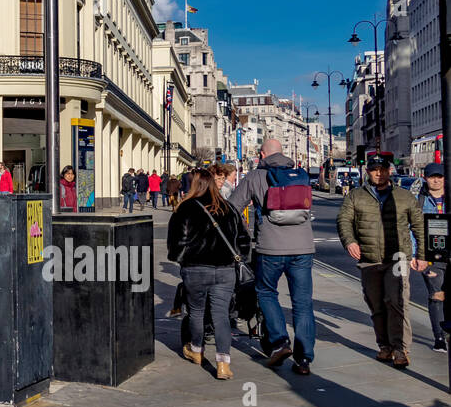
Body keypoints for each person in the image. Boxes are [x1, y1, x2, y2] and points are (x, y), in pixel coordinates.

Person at [224, 138, 316, 375]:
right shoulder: (300, 174)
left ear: (262, 155)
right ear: (283, 153)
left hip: (270, 248)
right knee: (303, 303)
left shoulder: (255, 177)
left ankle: (279, 341)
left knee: (266, 292)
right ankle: (304, 359)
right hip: (303, 248)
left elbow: (232, 208)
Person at [338, 153, 427, 368]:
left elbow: (419, 227)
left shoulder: (404, 197)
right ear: (368, 172)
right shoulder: (355, 196)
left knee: (397, 302)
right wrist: (350, 241)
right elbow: (344, 220)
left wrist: (422, 256)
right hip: (369, 259)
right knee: (376, 304)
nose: (379, 173)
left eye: (383, 169)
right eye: (374, 169)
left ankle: (400, 349)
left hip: (398, 258)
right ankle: (384, 346)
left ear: (389, 171)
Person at [167, 168, 250, 380]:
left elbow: (176, 243)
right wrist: (238, 257)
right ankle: (223, 364)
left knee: (195, 312)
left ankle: (197, 349)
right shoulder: (228, 208)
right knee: (221, 315)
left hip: (195, 269)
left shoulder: (185, 208)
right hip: (224, 270)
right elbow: (243, 239)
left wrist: (181, 258)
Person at [416, 163, 446, 352]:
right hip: (430, 256)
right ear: (425, 178)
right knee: (437, 296)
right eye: (432, 176)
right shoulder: (419, 200)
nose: (436, 180)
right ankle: (440, 337)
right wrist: (414, 255)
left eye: (440, 177)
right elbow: (413, 228)